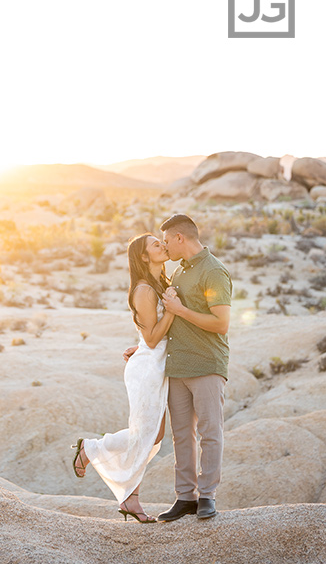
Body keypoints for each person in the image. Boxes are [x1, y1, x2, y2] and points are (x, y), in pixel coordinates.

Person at [71, 233, 176, 523]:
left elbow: (150, 338)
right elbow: (154, 339)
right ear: (144, 257)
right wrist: (172, 311)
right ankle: (90, 448)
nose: (163, 246)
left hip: (156, 366)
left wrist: (164, 316)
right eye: (156, 245)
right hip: (147, 370)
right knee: (146, 434)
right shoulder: (144, 290)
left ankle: (130, 499)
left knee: (152, 435)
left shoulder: (161, 284)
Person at [153, 213, 232, 522]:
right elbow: (171, 322)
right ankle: (186, 497)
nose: (164, 247)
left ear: (179, 238)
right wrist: (145, 350)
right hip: (177, 365)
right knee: (182, 435)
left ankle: (208, 496)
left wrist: (181, 309)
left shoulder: (213, 271)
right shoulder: (180, 271)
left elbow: (221, 324)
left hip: (207, 364)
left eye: (166, 241)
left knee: (211, 432)